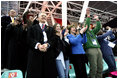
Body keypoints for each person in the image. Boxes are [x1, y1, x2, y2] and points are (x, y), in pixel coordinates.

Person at [26, 12, 58, 78]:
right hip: (35, 56)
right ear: (38, 18)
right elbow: (29, 39)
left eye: (45, 16)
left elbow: (53, 40)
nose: (43, 17)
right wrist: (38, 45)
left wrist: (47, 44)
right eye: (42, 16)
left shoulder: (51, 29)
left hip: (48, 56)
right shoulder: (32, 28)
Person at [83, 8, 103, 78]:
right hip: (90, 49)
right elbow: (87, 25)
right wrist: (88, 16)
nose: (89, 27)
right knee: (94, 67)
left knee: (100, 66)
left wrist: (97, 20)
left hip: (98, 49)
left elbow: (98, 28)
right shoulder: (84, 32)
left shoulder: (92, 32)